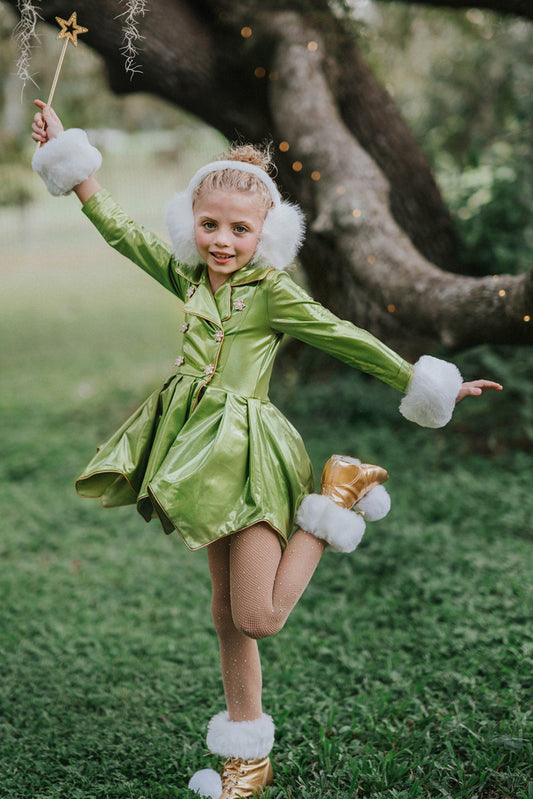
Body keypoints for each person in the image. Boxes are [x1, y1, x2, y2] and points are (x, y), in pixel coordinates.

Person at [31, 99, 502, 799]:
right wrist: (72, 163)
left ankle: (338, 491)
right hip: (199, 462)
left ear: (265, 234)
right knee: (226, 616)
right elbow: (122, 233)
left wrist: (426, 382)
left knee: (258, 615)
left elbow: (344, 336)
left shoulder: (272, 293)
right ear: (191, 224)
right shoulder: (190, 277)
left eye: (239, 229)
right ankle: (247, 760)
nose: (222, 241)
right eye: (210, 225)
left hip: (249, 458)